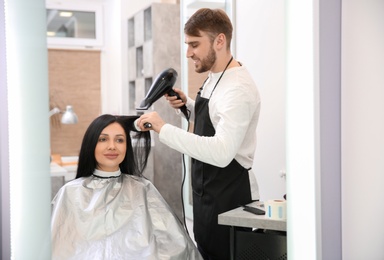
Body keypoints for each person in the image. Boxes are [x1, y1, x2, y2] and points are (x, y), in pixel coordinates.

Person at [136, 8, 261, 260]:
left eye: (194, 44)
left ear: (220, 40)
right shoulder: (216, 76)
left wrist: (163, 128)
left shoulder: (238, 89)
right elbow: (215, 117)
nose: (188, 53)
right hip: (206, 196)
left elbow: (222, 152)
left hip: (229, 200)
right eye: (187, 44)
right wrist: (189, 106)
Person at [51, 114, 202, 260]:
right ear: (91, 144)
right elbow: (58, 247)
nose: (112, 146)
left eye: (119, 140)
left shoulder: (142, 188)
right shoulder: (70, 192)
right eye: (103, 139)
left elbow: (174, 244)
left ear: (126, 147)